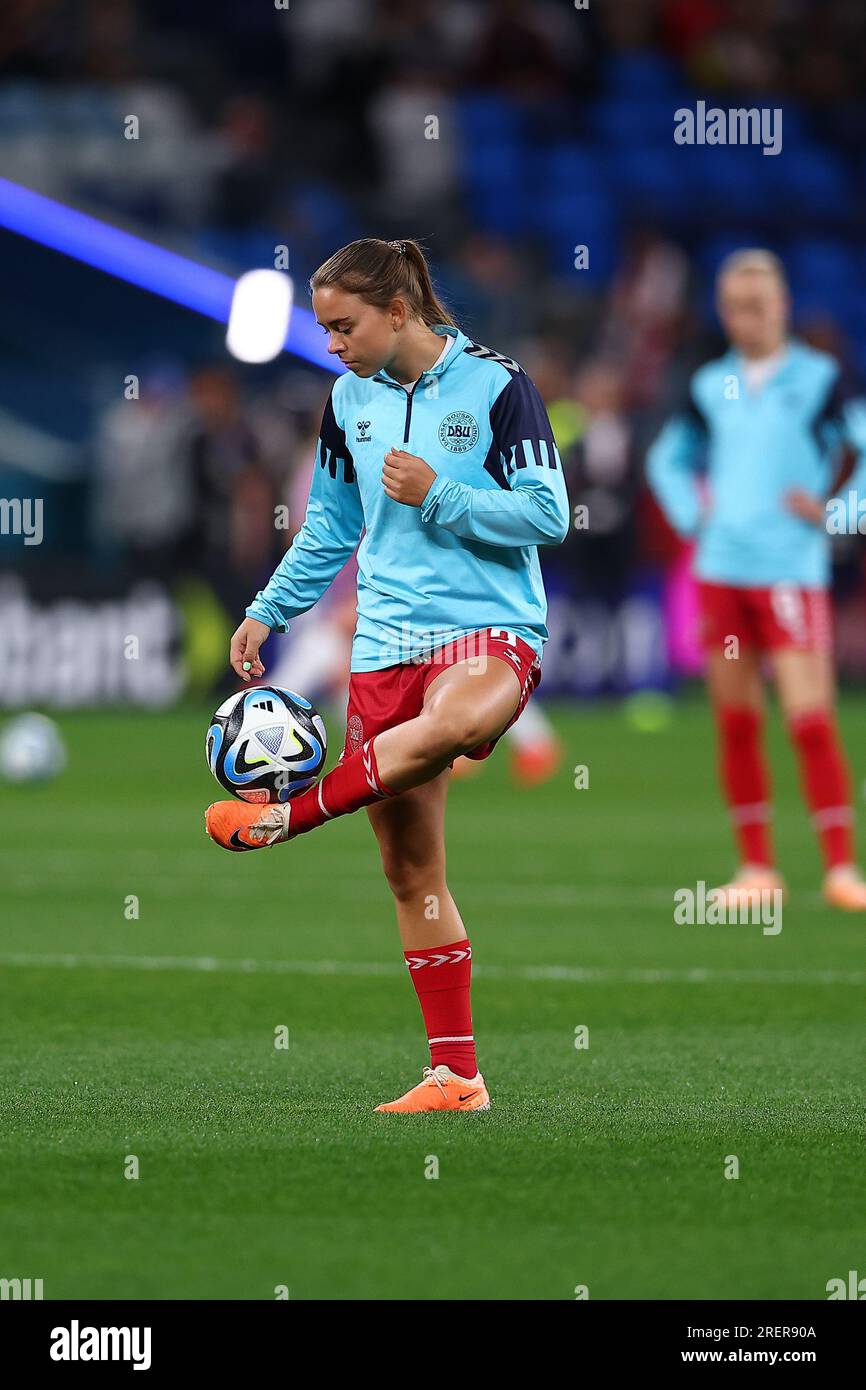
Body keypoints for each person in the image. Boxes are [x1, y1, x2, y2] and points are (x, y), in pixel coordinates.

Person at [205, 237, 570, 1110]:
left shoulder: (496, 384)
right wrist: (269, 608)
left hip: (484, 633)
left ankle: (292, 814)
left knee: (452, 728)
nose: (332, 345)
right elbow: (331, 527)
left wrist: (441, 491)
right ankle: (456, 1076)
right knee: (412, 874)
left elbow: (549, 514)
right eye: (326, 329)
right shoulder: (346, 400)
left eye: (343, 326)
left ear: (398, 312)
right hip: (383, 647)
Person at [647, 249, 866, 910]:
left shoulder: (821, 377)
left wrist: (837, 513)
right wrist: (694, 517)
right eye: (735, 307)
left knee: (808, 719)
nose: (746, 319)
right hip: (722, 569)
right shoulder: (713, 383)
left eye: (758, 306)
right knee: (737, 722)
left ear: (783, 306)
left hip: (789, 569)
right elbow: (667, 458)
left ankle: (840, 869)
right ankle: (757, 870)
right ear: (723, 310)